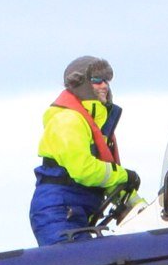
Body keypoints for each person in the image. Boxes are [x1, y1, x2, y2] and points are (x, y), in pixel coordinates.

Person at [28, 55, 142, 246]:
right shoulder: (68, 120)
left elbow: (107, 175)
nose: (104, 85)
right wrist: (125, 176)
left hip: (74, 212)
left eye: (107, 80)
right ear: (79, 83)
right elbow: (85, 170)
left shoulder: (95, 124)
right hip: (58, 213)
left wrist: (140, 206)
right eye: (97, 80)